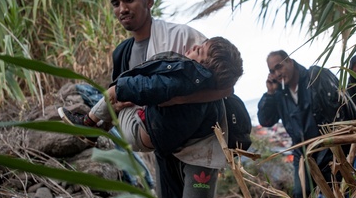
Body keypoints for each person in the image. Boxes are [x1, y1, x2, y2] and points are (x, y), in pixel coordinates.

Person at [65, 0, 242, 198]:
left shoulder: (183, 37)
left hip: (199, 150)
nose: (122, 8)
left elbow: (224, 86)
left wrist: (172, 100)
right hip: (162, 150)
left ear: (148, 0)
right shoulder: (123, 52)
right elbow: (120, 97)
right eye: (115, 3)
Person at [58, 36, 241, 155]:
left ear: (203, 69)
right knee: (127, 96)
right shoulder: (205, 91)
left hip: (139, 131)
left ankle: (87, 123)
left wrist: (119, 88)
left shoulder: (185, 80)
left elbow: (150, 87)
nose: (194, 46)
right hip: (152, 134)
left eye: (199, 51)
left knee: (115, 94)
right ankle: (100, 127)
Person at [257, 50, 355, 198]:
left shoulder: (316, 77)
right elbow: (265, 120)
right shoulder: (280, 94)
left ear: (291, 62)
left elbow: (341, 110)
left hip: (329, 148)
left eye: (279, 66)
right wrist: (270, 93)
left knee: (342, 193)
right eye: (272, 71)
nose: (277, 73)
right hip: (302, 154)